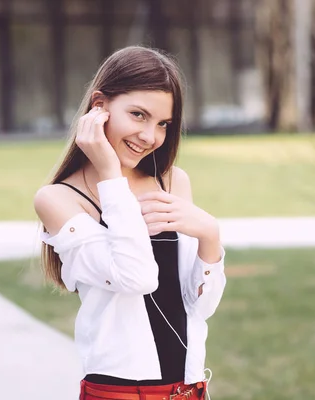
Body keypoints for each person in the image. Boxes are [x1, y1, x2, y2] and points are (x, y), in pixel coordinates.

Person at [34, 46, 226, 400]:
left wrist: (210, 236)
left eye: (163, 123)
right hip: (118, 392)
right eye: (138, 115)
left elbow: (201, 307)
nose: (150, 136)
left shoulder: (172, 181)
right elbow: (135, 277)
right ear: (99, 106)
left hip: (189, 390)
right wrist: (111, 176)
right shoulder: (59, 199)